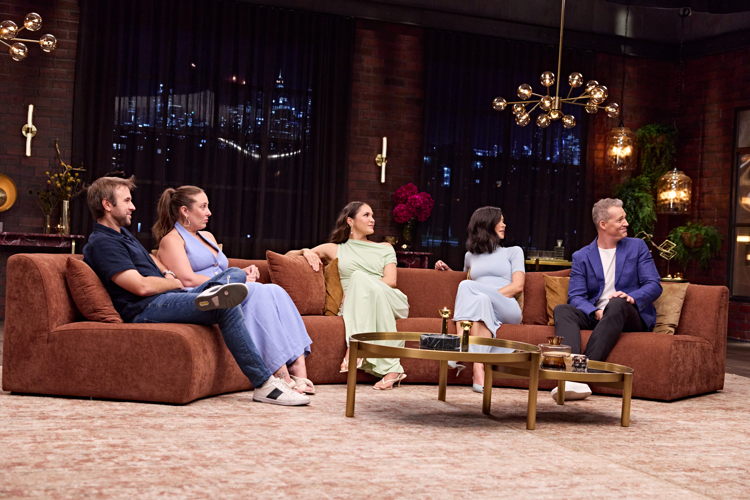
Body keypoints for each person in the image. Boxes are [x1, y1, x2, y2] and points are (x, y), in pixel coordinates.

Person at [82, 176, 309, 406]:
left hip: (166, 297)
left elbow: (151, 260)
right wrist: (174, 282)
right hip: (146, 307)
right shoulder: (103, 242)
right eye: (127, 201)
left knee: (236, 276)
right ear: (107, 205)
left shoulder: (122, 235)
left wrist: (166, 274)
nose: (133, 206)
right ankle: (265, 384)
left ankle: (216, 291)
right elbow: (141, 286)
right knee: (225, 303)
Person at [152, 185, 315, 395]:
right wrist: (235, 281)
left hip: (227, 287)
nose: (209, 212)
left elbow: (221, 269)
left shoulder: (207, 236)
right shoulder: (171, 240)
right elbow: (186, 278)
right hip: (204, 295)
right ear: (185, 211)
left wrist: (243, 273)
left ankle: (299, 370)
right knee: (257, 292)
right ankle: (280, 373)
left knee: (275, 290)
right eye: (203, 206)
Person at [289, 201, 409, 390]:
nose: (372, 219)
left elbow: (391, 280)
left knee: (358, 278)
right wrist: (306, 251)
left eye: (372, 215)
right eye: (366, 215)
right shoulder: (335, 249)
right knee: (358, 279)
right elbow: (288, 256)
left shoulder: (385, 247)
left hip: (389, 298)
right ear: (350, 221)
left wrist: (359, 287)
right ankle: (393, 370)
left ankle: (355, 345)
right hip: (355, 306)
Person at [552, 198, 662, 403]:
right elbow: (576, 296)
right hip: (598, 315)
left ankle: (576, 377)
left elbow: (654, 284)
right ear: (603, 224)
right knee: (562, 310)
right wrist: (595, 312)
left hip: (628, 313)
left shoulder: (637, 247)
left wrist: (632, 297)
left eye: (625, 218)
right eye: (620, 219)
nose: (626, 223)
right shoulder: (582, 256)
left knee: (617, 303)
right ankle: (571, 376)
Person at [434, 206, 524, 393]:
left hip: (507, 306)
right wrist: (448, 272)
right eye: (500, 221)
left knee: (470, 288)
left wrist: (490, 295)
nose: (504, 225)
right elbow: (467, 291)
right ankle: (478, 370)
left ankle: (458, 347)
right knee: (479, 299)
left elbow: (517, 286)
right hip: (482, 307)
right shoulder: (470, 256)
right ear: (487, 224)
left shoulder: (513, 252)